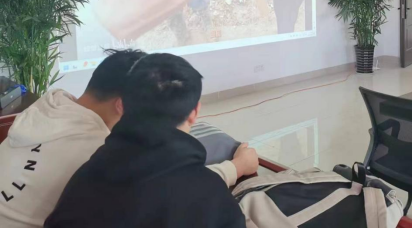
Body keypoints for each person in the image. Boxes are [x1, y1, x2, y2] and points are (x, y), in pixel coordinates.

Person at [0, 50, 253, 228]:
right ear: (123, 104)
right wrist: (236, 167)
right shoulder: (95, 153)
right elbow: (177, 190)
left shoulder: (44, 109)